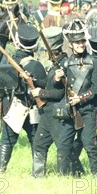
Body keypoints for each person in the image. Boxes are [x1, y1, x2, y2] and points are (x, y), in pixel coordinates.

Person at [0, 24, 47, 173]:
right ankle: (38, 174)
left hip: (11, 107)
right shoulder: (36, 65)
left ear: (17, 42)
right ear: (35, 44)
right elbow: (45, 87)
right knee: (36, 141)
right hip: (31, 109)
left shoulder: (5, 62)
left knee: (7, 141)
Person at [30, 27, 79, 177]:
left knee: (63, 149)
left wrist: (41, 93)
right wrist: (34, 80)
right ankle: (37, 176)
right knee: (39, 144)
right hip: (47, 114)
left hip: (59, 114)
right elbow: (48, 82)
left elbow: (59, 93)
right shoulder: (55, 63)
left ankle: (70, 175)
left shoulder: (65, 65)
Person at [58, 18, 97, 175]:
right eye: (77, 42)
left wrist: (81, 98)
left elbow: (95, 88)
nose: (81, 45)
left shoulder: (95, 62)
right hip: (70, 109)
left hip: (88, 109)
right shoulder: (65, 63)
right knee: (64, 145)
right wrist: (56, 78)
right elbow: (56, 88)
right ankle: (67, 175)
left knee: (90, 144)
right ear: (71, 44)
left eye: (83, 41)